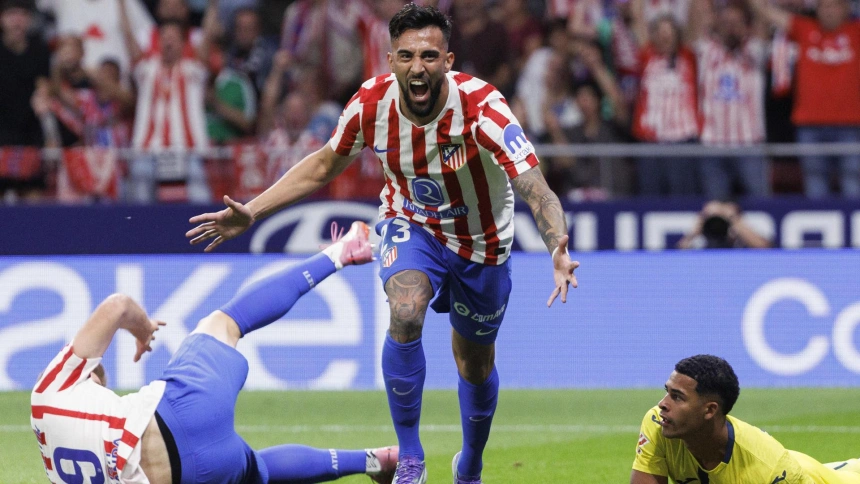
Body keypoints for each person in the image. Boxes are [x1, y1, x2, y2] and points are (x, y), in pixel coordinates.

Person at [186, 5, 580, 484]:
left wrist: (557, 244)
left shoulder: (484, 108)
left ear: (449, 61)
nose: (418, 67)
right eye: (407, 56)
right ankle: (410, 456)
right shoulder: (371, 105)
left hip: (482, 244)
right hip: (410, 223)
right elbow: (322, 165)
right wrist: (255, 210)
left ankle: (471, 462)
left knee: (474, 364)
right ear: (391, 59)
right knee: (407, 306)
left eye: (430, 55)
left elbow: (535, 186)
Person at [31, 221, 399, 484]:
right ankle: (341, 253)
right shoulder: (48, 393)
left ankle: (375, 461)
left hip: (198, 473)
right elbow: (116, 306)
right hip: (179, 414)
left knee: (259, 470)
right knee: (226, 322)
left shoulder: (56, 472)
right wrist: (142, 328)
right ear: (88, 375)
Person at [631, 354, 860, 483]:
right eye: (667, 392)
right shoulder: (658, 422)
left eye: (677, 397)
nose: (662, 404)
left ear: (710, 410)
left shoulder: (769, 471)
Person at [751, 0, 860, 198]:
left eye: (834, 6)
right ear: (816, 10)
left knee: (852, 183)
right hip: (809, 125)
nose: (828, 11)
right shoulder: (804, 29)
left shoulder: (856, 32)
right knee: (815, 185)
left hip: (849, 125)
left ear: (846, 9)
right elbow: (765, 12)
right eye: (824, 7)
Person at [676, 199, 772, 249]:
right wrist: (694, 232)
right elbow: (678, 257)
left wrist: (733, 219)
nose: (718, 222)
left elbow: (765, 249)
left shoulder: (742, 241)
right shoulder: (700, 242)